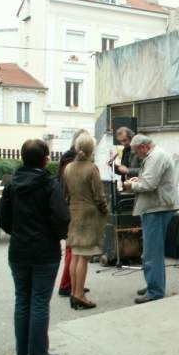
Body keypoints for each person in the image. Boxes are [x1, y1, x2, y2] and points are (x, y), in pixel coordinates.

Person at [0, 139, 70, 355]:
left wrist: (17, 232)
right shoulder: (49, 185)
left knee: (23, 300)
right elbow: (61, 217)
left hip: (19, 250)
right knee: (38, 302)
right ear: (46, 158)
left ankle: (24, 354)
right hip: (44, 252)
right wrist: (55, 235)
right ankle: (38, 354)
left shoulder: (12, 185)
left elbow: (1, 216)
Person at [124, 134, 179, 304]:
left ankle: (155, 290)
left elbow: (149, 184)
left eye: (135, 152)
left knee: (152, 252)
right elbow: (151, 180)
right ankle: (153, 284)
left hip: (157, 209)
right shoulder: (156, 155)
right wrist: (139, 179)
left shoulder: (155, 157)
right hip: (157, 207)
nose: (135, 156)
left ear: (144, 147)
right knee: (153, 251)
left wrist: (131, 185)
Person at [64, 133, 108, 310]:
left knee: (75, 254)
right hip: (89, 215)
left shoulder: (68, 168)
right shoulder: (91, 168)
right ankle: (80, 294)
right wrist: (105, 211)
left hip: (74, 213)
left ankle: (74, 292)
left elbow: (66, 194)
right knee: (84, 257)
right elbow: (99, 196)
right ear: (92, 149)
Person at [57, 129, 88, 298]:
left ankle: (75, 285)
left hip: (70, 207)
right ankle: (67, 285)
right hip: (73, 209)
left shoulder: (67, 159)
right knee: (73, 251)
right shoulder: (71, 161)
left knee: (74, 250)